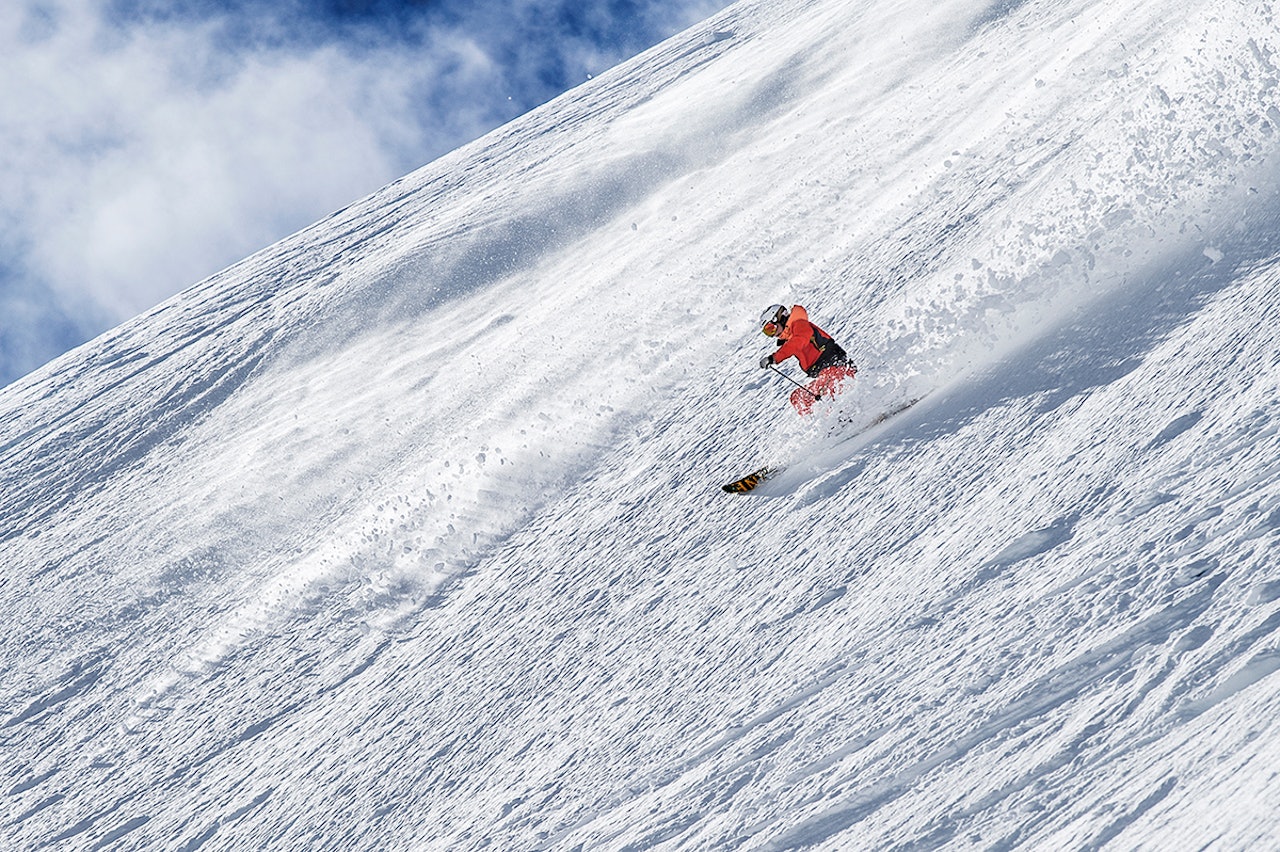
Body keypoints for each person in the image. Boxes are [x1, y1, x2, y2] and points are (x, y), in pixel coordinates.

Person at [758, 303, 856, 415]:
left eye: (771, 328)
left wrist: (774, 358)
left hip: (836, 366)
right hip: (825, 373)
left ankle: (846, 417)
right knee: (798, 397)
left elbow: (798, 341)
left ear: (779, 318)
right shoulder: (791, 336)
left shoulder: (799, 324)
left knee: (824, 390)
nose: (773, 334)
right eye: (768, 332)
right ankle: (825, 423)